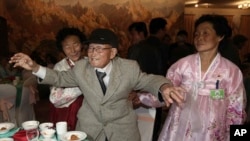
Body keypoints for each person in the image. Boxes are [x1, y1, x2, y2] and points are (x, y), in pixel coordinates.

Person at [9, 28, 185, 141]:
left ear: (113, 52)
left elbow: (149, 79)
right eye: (91, 48)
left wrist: (164, 87)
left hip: (122, 130)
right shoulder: (81, 68)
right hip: (90, 128)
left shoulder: (129, 68)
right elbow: (58, 78)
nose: (93, 53)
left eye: (100, 49)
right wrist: (34, 66)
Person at [158, 14, 246, 141]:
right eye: (196, 34)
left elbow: (237, 110)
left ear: (220, 36)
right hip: (180, 129)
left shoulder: (231, 71)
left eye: (205, 33)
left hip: (212, 131)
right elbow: (164, 90)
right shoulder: (182, 65)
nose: (199, 38)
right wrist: (140, 97)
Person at [128, 17, 169, 141]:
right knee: (152, 127)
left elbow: (129, 75)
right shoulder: (161, 46)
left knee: (137, 127)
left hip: (135, 94)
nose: (131, 38)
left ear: (141, 33)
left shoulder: (135, 49)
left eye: (133, 34)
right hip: (155, 92)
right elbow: (162, 71)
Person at [49, 27, 87, 130]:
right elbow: (55, 99)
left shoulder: (90, 63)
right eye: (67, 47)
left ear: (82, 44)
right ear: (62, 49)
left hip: (90, 112)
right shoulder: (60, 67)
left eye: (76, 44)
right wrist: (83, 85)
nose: (73, 50)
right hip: (69, 112)